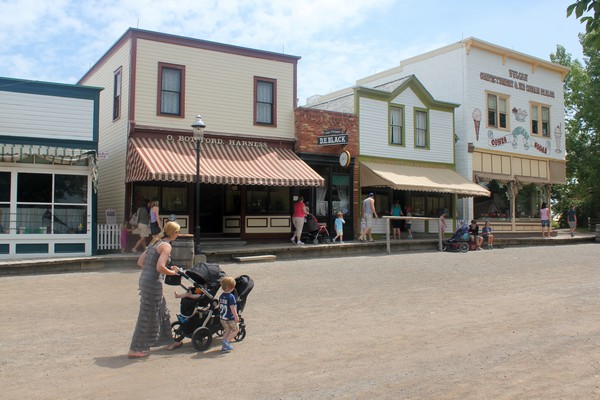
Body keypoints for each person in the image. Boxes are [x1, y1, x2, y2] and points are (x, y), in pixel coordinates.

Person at [127, 221, 183, 358]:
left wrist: (152, 270)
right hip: (153, 283)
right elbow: (159, 267)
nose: (179, 234)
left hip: (146, 279)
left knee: (163, 310)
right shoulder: (166, 246)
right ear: (174, 233)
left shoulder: (155, 242)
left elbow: (141, 262)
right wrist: (174, 273)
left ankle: (169, 342)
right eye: (178, 232)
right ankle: (135, 349)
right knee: (147, 315)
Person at [219, 276, 240, 352]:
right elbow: (232, 308)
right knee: (236, 330)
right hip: (229, 318)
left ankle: (224, 347)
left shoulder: (222, 295)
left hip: (222, 318)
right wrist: (236, 317)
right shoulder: (231, 296)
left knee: (227, 330)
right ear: (231, 287)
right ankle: (226, 342)